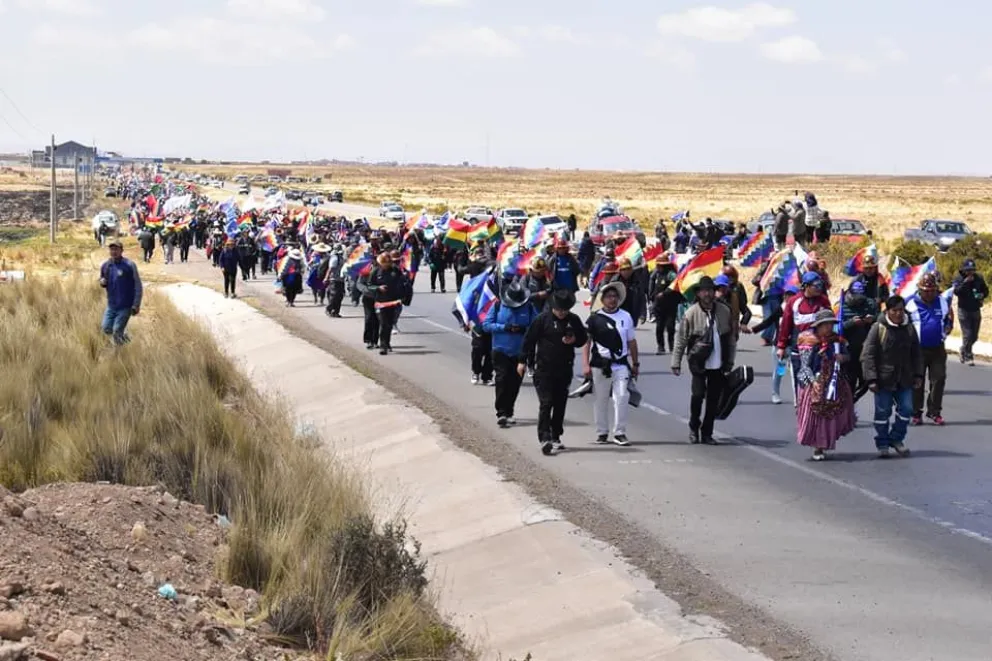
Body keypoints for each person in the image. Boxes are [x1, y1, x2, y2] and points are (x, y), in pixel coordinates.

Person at [522, 289, 588, 456]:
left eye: (565, 310)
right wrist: (522, 361)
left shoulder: (573, 320)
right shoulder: (542, 320)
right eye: (559, 310)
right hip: (544, 368)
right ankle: (544, 437)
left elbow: (583, 339)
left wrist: (574, 340)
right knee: (546, 402)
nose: (562, 313)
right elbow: (529, 340)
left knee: (560, 403)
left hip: (564, 368)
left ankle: (555, 434)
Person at [671, 276, 735, 444]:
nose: (707, 294)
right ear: (698, 294)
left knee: (713, 399)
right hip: (698, 362)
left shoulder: (724, 311)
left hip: (718, 362)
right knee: (698, 395)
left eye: (710, 291)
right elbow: (681, 339)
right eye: (704, 291)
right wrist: (675, 363)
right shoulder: (690, 313)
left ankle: (707, 432)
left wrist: (730, 360)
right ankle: (693, 427)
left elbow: (730, 339)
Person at [861, 295, 923, 458]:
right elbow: (868, 355)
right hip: (883, 380)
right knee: (883, 413)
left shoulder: (909, 328)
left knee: (907, 409)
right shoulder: (878, 328)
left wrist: (918, 374)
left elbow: (916, 354)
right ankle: (882, 443)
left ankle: (896, 439)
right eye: (894, 310)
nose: (898, 314)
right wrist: (871, 379)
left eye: (901, 310)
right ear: (887, 311)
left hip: (905, 378)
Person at [582, 281, 639, 446]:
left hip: (621, 365)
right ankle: (602, 432)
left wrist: (635, 364)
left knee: (622, 396)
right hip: (600, 365)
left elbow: (632, 342)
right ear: (603, 299)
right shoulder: (594, 319)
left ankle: (620, 432)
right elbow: (587, 343)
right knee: (601, 400)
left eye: (615, 296)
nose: (612, 300)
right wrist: (585, 364)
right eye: (608, 297)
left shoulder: (625, 317)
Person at [795, 310, 856, 461]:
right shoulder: (808, 340)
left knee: (833, 414)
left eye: (831, 324)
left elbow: (848, 356)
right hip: (814, 381)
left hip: (835, 382)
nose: (829, 327)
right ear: (819, 325)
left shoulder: (837, 341)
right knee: (816, 415)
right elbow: (805, 365)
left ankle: (825, 442)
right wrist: (813, 382)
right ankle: (817, 446)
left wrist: (843, 357)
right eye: (826, 324)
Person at [484, 280, 538, 427]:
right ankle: (501, 412)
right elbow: (486, 325)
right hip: (500, 350)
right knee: (502, 380)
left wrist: (524, 330)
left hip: (520, 353)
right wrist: (505, 327)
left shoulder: (529, 307)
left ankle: (509, 411)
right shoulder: (497, 305)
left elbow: (537, 326)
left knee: (514, 383)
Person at [777, 271, 833, 405]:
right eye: (816, 285)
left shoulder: (823, 301)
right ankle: (800, 406)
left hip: (819, 349)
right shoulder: (793, 302)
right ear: (806, 286)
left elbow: (831, 323)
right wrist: (781, 346)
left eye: (820, 285)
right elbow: (786, 325)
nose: (819, 288)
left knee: (819, 381)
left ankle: (816, 408)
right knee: (800, 380)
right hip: (799, 350)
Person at [906, 274, 952, 426]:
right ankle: (916, 412)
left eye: (932, 290)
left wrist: (946, 331)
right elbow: (900, 321)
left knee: (939, 379)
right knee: (917, 381)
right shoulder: (910, 303)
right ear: (920, 289)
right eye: (926, 290)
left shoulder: (942, 302)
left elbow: (948, 320)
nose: (929, 293)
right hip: (917, 349)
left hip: (937, 349)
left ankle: (934, 411)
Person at [98, 240, 142, 346]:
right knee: (106, 328)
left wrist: (136, 304)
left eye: (116, 249)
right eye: (112, 249)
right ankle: (126, 340)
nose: (114, 251)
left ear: (121, 251)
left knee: (117, 330)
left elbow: (138, 285)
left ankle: (120, 354)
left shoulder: (129, 265)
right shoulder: (106, 265)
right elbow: (102, 279)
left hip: (126, 306)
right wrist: (102, 282)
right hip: (111, 305)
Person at [839, 280, 878, 398]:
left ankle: (852, 399)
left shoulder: (870, 303)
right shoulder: (841, 305)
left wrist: (872, 319)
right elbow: (836, 327)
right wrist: (851, 322)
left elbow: (881, 318)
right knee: (849, 380)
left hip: (866, 349)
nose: (858, 300)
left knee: (867, 380)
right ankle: (849, 406)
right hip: (848, 348)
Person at [368, 252, 406, 355]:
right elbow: (369, 285)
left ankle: (387, 343)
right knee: (383, 323)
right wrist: (378, 288)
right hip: (380, 302)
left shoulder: (396, 271)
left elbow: (403, 283)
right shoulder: (375, 271)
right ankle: (383, 346)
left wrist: (403, 296)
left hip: (393, 302)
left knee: (389, 324)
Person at [952, 259, 988, 366]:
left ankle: (963, 349)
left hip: (975, 309)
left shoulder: (979, 278)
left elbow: (985, 290)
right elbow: (956, 291)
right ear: (963, 270)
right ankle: (968, 356)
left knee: (974, 336)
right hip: (963, 310)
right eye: (968, 270)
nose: (970, 272)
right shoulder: (959, 278)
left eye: (972, 270)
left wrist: (982, 295)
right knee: (967, 334)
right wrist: (965, 283)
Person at [648, 253, 680, 354]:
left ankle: (671, 346)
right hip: (658, 305)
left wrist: (665, 293)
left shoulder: (671, 274)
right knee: (659, 327)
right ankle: (660, 347)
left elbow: (675, 284)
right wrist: (651, 296)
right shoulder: (656, 273)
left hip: (670, 305)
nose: (659, 267)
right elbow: (651, 283)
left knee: (670, 327)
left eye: (661, 265)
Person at [324, 244, 346, 318]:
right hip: (334, 279)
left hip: (341, 280)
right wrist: (326, 278)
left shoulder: (341, 258)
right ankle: (329, 309)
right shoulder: (335, 258)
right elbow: (330, 269)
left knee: (340, 296)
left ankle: (336, 312)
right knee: (334, 295)